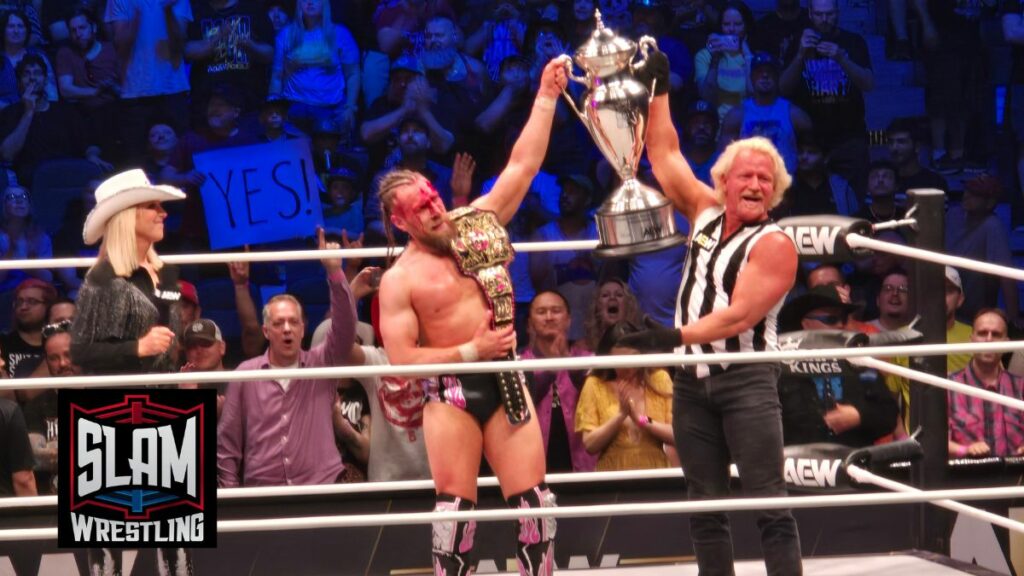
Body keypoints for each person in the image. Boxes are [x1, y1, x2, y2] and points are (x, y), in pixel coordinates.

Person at [376, 59, 565, 576]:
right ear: (400, 220)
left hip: (505, 378)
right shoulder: (401, 280)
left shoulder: (474, 222)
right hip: (451, 391)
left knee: (535, 507)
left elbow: (522, 166)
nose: (435, 209)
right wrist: (468, 351)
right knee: (454, 518)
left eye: (434, 197)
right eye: (421, 208)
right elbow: (400, 358)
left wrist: (545, 94)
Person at [620, 49, 803, 575]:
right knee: (705, 509)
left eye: (765, 180)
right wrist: (658, 92)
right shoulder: (703, 213)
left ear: (776, 190)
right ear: (723, 182)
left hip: (745, 380)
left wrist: (672, 337)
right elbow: (665, 155)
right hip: (690, 386)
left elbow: (739, 316)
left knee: (769, 504)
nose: (753, 186)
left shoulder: (774, 243)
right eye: (744, 176)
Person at [68, 168, 190, 575]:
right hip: (109, 411)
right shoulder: (102, 279)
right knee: (106, 531)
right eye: (152, 206)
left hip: (165, 405)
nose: (163, 213)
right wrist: (136, 348)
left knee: (174, 529)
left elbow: (169, 336)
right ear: (128, 217)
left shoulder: (166, 273)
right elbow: (80, 351)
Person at [217, 229, 357, 487]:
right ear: (266, 331)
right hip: (262, 496)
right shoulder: (245, 375)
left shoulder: (321, 363)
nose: (287, 329)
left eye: (293, 322)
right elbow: (227, 444)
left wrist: (335, 273)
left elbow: (346, 326)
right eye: (279, 323)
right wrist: (231, 499)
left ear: (303, 329)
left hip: (321, 487)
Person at [776, 285, 898, 447]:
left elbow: (889, 414)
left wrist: (859, 416)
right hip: (796, 465)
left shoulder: (858, 362)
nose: (840, 325)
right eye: (831, 319)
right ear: (806, 324)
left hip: (854, 463)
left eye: (844, 319)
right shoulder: (782, 365)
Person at [576, 322, 675, 471]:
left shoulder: (659, 379)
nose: (629, 366)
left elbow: (676, 435)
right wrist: (620, 416)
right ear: (608, 359)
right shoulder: (595, 384)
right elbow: (590, 444)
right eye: (621, 360)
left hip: (654, 471)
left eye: (633, 358)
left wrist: (642, 421)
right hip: (612, 473)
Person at [519, 290, 596, 473]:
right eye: (541, 312)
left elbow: (595, 396)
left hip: (583, 466)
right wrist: (550, 371)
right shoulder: (518, 364)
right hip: (533, 467)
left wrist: (568, 363)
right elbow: (520, 405)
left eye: (556, 311)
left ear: (569, 320)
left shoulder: (589, 360)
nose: (549, 317)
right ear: (529, 325)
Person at [948, 309, 1024, 458]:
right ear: (971, 340)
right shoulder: (948, 386)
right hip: (967, 476)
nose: (988, 340)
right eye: (982, 333)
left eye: (996, 335)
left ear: (1006, 343)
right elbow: (934, 439)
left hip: (1017, 477)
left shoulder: (1021, 386)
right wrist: (965, 450)